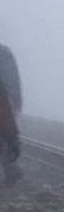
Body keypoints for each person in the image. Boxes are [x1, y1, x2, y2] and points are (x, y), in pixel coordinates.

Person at [0, 44, 20, 184]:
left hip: (6, 100)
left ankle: (10, 170)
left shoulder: (4, 53)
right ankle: (10, 170)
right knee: (6, 138)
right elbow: (14, 80)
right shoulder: (5, 53)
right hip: (8, 100)